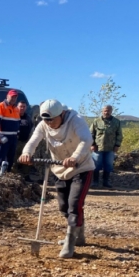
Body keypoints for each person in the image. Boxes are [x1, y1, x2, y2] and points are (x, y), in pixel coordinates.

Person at [18, 99, 95, 258]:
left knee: (75, 204)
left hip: (81, 167)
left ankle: (70, 241)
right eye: (45, 119)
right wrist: (27, 153)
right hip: (60, 168)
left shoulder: (76, 120)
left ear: (62, 114)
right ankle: (79, 232)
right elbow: (33, 141)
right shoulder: (44, 125)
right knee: (63, 206)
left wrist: (74, 157)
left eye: (51, 119)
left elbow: (86, 140)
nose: (48, 123)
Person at [90, 105, 122, 188]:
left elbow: (119, 135)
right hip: (98, 147)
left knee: (108, 166)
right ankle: (95, 182)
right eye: (105, 110)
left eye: (108, 111)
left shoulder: (116, 122)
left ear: (111, 111)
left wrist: (117, 145)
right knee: (96, 165)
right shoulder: (96, 121)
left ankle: (105, 182)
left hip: (110, 148)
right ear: (102, 111)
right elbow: (91, 134)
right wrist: (92, 144)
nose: (106, 112)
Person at [0, 89, 21, 173]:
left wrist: (17, 135)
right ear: (7, 96)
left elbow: (18, 123)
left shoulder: (16, 108)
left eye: (15, 97)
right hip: (3, 137)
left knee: (10, 159)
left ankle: (7, 176)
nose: (14, 98)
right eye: (12, 96)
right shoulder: (1, 106)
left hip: (13, 138)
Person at [15, 101, 35, 179]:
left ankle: (26, 176)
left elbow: (32, 129)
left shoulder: (28, 118)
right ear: (17, 107)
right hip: (16, 142)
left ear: (26, 108)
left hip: (26, 142)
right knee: (15, 160)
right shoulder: (14, 116)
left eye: (24, 106)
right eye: (21, 106)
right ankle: (16, 176)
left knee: (26, 159)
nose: (22, 108)